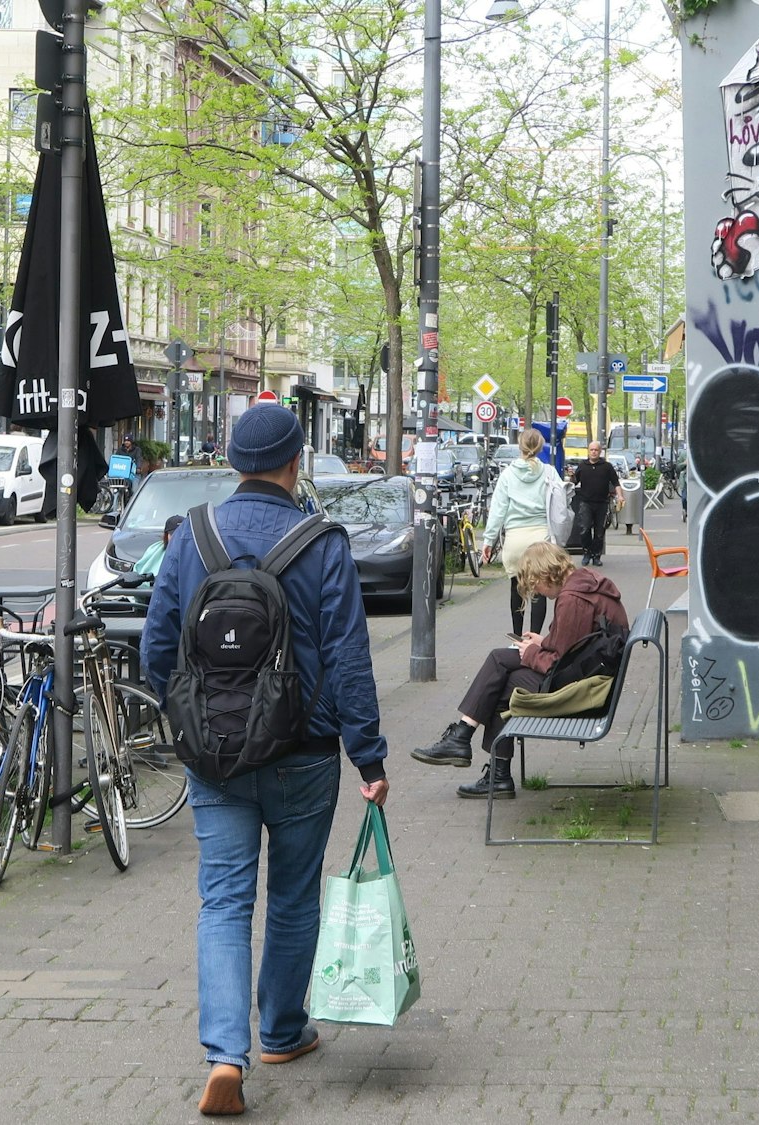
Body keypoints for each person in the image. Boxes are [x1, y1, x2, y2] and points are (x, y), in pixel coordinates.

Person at [140, 403, 390, 1118]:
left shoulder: (192, 536)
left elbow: (157, 648)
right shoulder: (323, 542)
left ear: (233, 463)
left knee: (222, 901)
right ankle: (282, 1029)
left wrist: (189, 717)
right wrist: (368, 755)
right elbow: (348, 660)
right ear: (295, 461)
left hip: (212, 756)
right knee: (290, 895)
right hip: (304, 753)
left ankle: (226, 1054)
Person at [410, 541, 628, 799]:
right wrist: (542, 642)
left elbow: (557, 663)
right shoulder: (585, 582)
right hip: (590, 677)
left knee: (504, 679)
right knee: (501, 664)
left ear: (546, 574)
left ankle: (480, 757)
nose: (537, 591)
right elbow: (574, 647)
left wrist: (533, 653)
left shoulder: (572, 599)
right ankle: (467, 743)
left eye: (536, 584)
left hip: (582, 690)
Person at [482, 427, 561, 640]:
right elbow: (560, 503)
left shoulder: (507, 474)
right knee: (539, 591)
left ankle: (517, 638)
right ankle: (534, 639)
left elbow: (498, 511)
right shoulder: (549, 472)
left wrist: (488, 541)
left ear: (520, 446)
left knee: (516, 589)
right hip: (541, 538)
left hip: (515, 539)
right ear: (540, 446)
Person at [571, 441, 619, 567]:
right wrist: (571, 477)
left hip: (602, 503)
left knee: (599, 532)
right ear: (588, 451)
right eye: (591, 450)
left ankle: (596, 556)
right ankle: (587, 552)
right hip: (586, 503)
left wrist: (621, 496)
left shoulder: (607, 466)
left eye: (596, 450)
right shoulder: (583, 465)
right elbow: (575, 482)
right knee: (585, 529)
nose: (593, 452)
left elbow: (616, 483)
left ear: (600, 451)